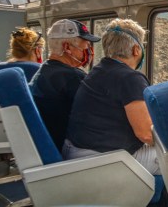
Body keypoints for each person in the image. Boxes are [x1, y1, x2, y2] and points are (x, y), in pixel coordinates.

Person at [63, 18, 160, 175]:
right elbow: (146, 134)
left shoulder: (97, 72)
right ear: (136, 49)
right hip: (102, 159)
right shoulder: (130, 78)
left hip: (78, 153)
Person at [29, 19, 100, 151]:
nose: (89, 51)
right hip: (66, 148)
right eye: (86, 46)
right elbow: (95, 117)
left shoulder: (44, 70)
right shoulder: (72, 77)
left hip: (48, 143)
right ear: (67, 47)